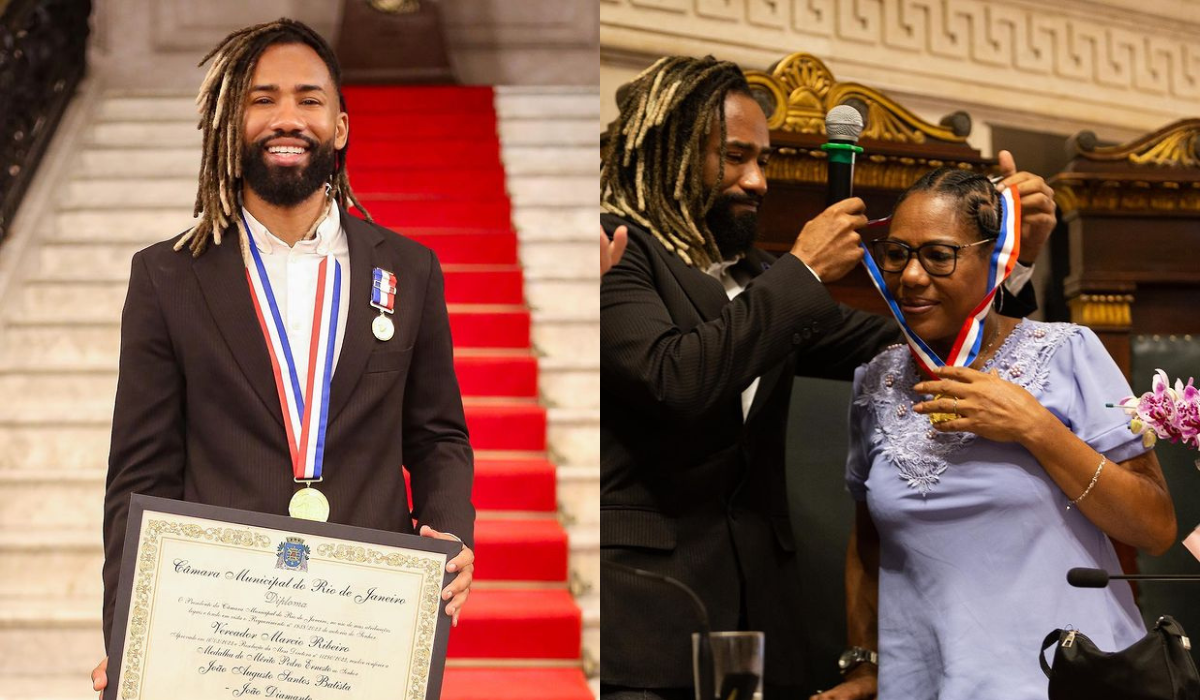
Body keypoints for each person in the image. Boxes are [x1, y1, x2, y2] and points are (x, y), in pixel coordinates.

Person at [599, 55, 1058, 698]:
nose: (758, 180)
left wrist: (1008, 264)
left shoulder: (761, 281)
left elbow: (923, 347)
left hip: (762, 620)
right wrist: (806, 269)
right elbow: (674, 379)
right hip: (646, 624)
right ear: (670, 150)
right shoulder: (615, 254)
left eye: (762, 158)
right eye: (735, 157)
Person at [91, 19, 475, 696]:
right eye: (261, 99)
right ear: (228, 123)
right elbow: (139, 477)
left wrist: (449, 527)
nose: (287, 118)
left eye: (309, 98)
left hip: (364, 623)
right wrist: (128, 637)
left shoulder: (410, 271)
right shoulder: (167, 277)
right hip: (218, 622)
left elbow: (438, 434)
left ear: (342, 124)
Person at [816, 168, 1176, 700]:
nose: (912, 276)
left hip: (1063, 682)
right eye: (897, 254)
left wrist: (1035, 427)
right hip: (924, 687)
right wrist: (864, 665)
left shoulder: (1068, 352)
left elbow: (1155, 527)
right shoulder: (875, 381)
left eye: (939, 255)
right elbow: (868, 542)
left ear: (995, 258)